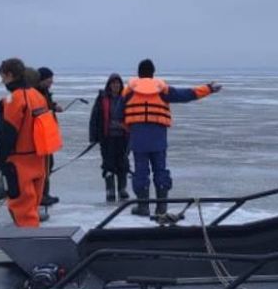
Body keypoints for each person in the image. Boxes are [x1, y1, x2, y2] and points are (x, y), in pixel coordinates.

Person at [124, 59, 221, 216]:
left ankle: (143, 207)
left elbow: (116, 110)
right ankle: (162, 207)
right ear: (153, 73)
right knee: (160, 170)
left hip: (138, 138)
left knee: (141, 172)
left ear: (139, 74)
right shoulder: (163, 90)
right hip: (158, 138)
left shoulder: (129, 92)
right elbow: (187, 94)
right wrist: (208, 88)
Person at [0, 57, 50, 227]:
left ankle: (30, 249)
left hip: (19, 164)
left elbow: (6, 136)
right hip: (39, 161)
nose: (2, 81)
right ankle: (35, 244)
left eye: (3, 77)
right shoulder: (38, 96)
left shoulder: (15, 100)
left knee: (23, 211)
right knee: (32, 208)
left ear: (10, 75)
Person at [89, 73, 129, 202]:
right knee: (108, 165)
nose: (116, 85)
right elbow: (94, 118)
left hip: (123, 138)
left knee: (123, 164)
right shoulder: (102, 98)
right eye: (113, 83)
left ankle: (122, 189)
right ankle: (110, 190)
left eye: (118, 83)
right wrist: (93, 136)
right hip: (107, 138)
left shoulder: (126, 98)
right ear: (109, 85)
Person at [37, 67, 63, 207]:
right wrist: (52, 107)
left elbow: (47, 106)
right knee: (44, 166)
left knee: (48, 165)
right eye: (49, 80)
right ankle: (41, 195)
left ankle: (44, 193)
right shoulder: (37, 93)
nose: (51, 82)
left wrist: (53, 106)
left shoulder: (44, 92)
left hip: (47, 136)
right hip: (41, 136)